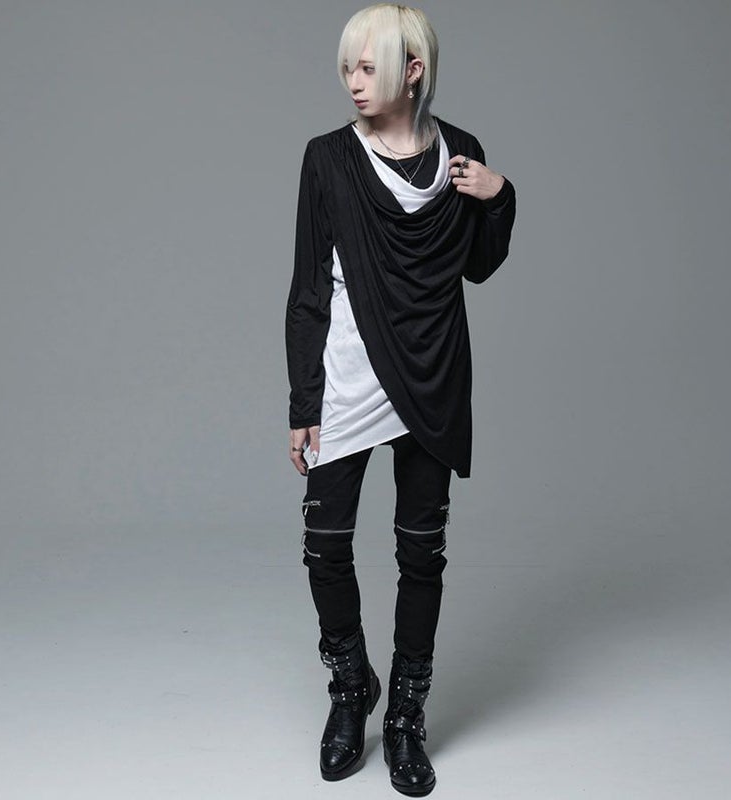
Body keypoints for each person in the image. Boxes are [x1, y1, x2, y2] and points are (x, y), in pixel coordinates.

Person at [285, 4, 516, 795]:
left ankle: (407, 716)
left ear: (412, 71)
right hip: (347, 379)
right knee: (325, 547)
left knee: (422, 554)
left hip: (432, 378)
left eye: (367, 67)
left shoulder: (462, 154)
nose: (352, 81)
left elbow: (478, 265)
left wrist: (498, 194)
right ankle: (353, 687)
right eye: (347, 67)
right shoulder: (327, 158)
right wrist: (303, 403)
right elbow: (307, 289)